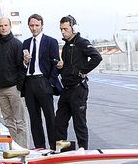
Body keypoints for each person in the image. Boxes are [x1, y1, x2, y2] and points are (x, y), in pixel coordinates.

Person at [53, 15, 102, 150]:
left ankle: (83, 152)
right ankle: (60, 151)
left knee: (79, 124)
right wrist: (62, 67)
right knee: (59, 122)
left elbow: (97, 57)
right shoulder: (66, 45)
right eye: (61, 29)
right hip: (66, 89)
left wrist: (82, 71)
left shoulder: (82, 42)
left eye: (66, 29)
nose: (63, 32)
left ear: (73, 28)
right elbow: (70, 65)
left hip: (78, 89)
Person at [21, 13, 61, 150]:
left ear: (42, 26)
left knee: (50, 117)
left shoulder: (51, 41)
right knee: (34, 118)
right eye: (31, 25)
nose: (34, 28)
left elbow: (56, 64)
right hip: (29, 83)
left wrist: (50, 82)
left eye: (36, 25)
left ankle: (53, 147)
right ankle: (40, 147)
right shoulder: (25, 43)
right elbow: (22, 66)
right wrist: (25, 63)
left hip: (44, 81)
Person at [0, 17, 27, 146]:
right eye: (1, 26)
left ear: (10, 26)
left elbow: (22, 67)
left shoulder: (17, 44)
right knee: (8, 121)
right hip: (0, 88)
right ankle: (13, 147)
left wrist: (19, 86)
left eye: (6, 25)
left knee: (20, 120)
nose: (3, 28)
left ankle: (23, 148)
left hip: (13, 88)